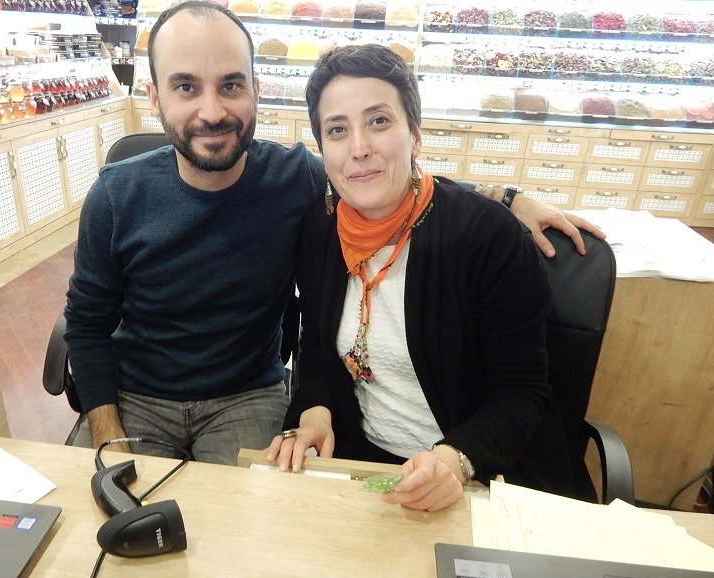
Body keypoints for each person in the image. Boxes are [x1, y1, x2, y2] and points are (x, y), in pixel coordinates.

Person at [65, 0, 604, 465]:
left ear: (255, 90)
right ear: (155, 97)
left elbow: (391, 179)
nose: (212, 111)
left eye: (230, 85)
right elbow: (86, 326)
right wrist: (108, 436)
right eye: (186, 87)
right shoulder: (117, 194)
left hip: (247, 396)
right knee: (107, 521)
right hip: (136, 397)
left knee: (250, 531)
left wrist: (506, 198)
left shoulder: (295, 179)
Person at [266, 44, 597, 510]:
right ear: (323, 150)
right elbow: (319, 350)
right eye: (337, 130)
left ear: (415, 136)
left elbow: (521, 392)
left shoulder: (485, 236)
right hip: (367, 466)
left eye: (379, 121)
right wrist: (316, 413)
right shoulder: (321, 230)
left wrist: (454, 461)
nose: (359, 149)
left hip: (482, 472)